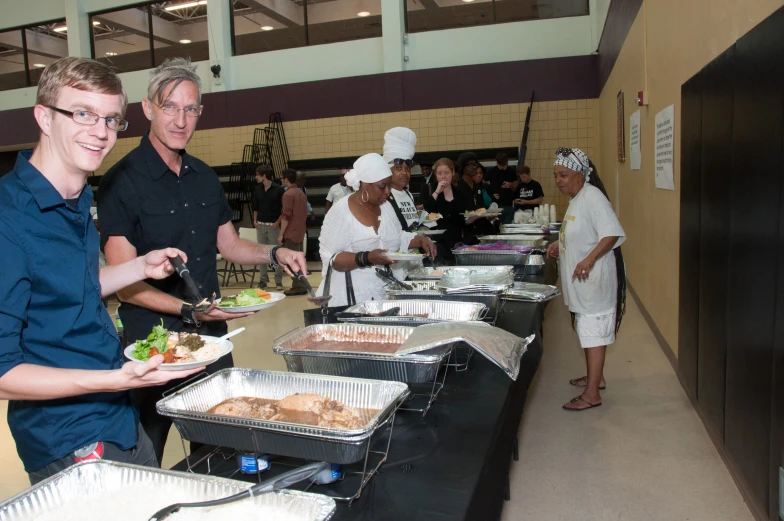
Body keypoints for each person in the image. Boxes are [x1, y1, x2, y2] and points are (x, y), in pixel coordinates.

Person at [0, 57, 201, 484]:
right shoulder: (8, 218)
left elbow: (71, 287)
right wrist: (112, 379)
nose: (101, 131)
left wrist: (137, 267)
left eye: (111, 119)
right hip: (69, 439)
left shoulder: (72, 198)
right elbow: (3, 373)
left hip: (118, 418)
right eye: (83, 114)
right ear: (43, 117)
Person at [98, 58, 307, 462]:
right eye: (170, 107)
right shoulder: (120, 181)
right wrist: (189, 309)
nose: (181, 119)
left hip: (211, 344)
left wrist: (274, 252)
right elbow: (125, 283)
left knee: (220, 446)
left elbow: (229, 246)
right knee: (147, 454)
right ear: (147, 109)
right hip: (154, 348)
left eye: (191, 109)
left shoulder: (205, 176)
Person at [546, 147, 626, 412]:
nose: (559, 180)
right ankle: (596, 377)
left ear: (580, 175)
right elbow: (581, 232)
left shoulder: (593, 198)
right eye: (556, 175)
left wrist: (590, 259)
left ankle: (592, 394)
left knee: (592, 332)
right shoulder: (577, 199)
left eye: (564, 175)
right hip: (583, 283)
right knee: (587, 330)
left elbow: (611, 234)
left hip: (595, 281)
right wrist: (560, 244)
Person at [316, 153, 437, 306]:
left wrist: (420, 240)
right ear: (365, 185)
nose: (387, 191)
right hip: (350, 299)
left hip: (382, 294)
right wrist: (366, 258)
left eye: (389, 185)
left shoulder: (386, 208)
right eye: (382, 186)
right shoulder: (340, 211)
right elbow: (331, 258)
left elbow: (397, 237)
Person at [423, 158, 467, 263]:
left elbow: (463, 219)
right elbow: (426, 210)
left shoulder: (460, 194)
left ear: (452, 173)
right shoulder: (429, 190)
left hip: (457, 243)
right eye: (439, 173)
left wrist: (473, 218)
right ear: (435, 175)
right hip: (437, 244)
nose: (443, 176)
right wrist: (437, 191)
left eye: (446, 173)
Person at [252, 165, 285, 290]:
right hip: (260, 225)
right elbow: (255, 207)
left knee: (275, 253)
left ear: (264, 175)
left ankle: (278, 281)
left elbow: (284, 209)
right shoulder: (257, 189)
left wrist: (277, 222)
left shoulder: (279, 189)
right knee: (261, 254)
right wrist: (254, 221)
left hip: (273, 226)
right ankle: (263, 280)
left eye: (257, 175)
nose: (256, 177)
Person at [278, 168, 309, 296]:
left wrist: (281, 234)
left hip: (291, 232)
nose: (281, 180)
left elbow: (286, 216)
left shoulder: (288, 194)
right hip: (300, 230)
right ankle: (301, 284)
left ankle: (298, 285)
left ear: (286, 179)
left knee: (291, 259)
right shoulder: (301, 193)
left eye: (282, 178)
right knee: (299, 258)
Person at [383, 127, 419, 231]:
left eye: (408, 169)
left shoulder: (409, 195)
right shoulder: (383, 198)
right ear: (388, 170)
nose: (404, 172)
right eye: (399, 168)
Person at [485, 152, 518, 223]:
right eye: (501, 165)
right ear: (497, 163)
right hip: (495, 205)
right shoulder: (491, 172)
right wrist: (491, 194)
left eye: (505, 165)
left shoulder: (512, 171)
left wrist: (510, 185)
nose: (503, 167)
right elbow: (483, 185)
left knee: (508, 226)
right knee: (494, 227)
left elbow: (516, 187)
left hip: (508, 204)